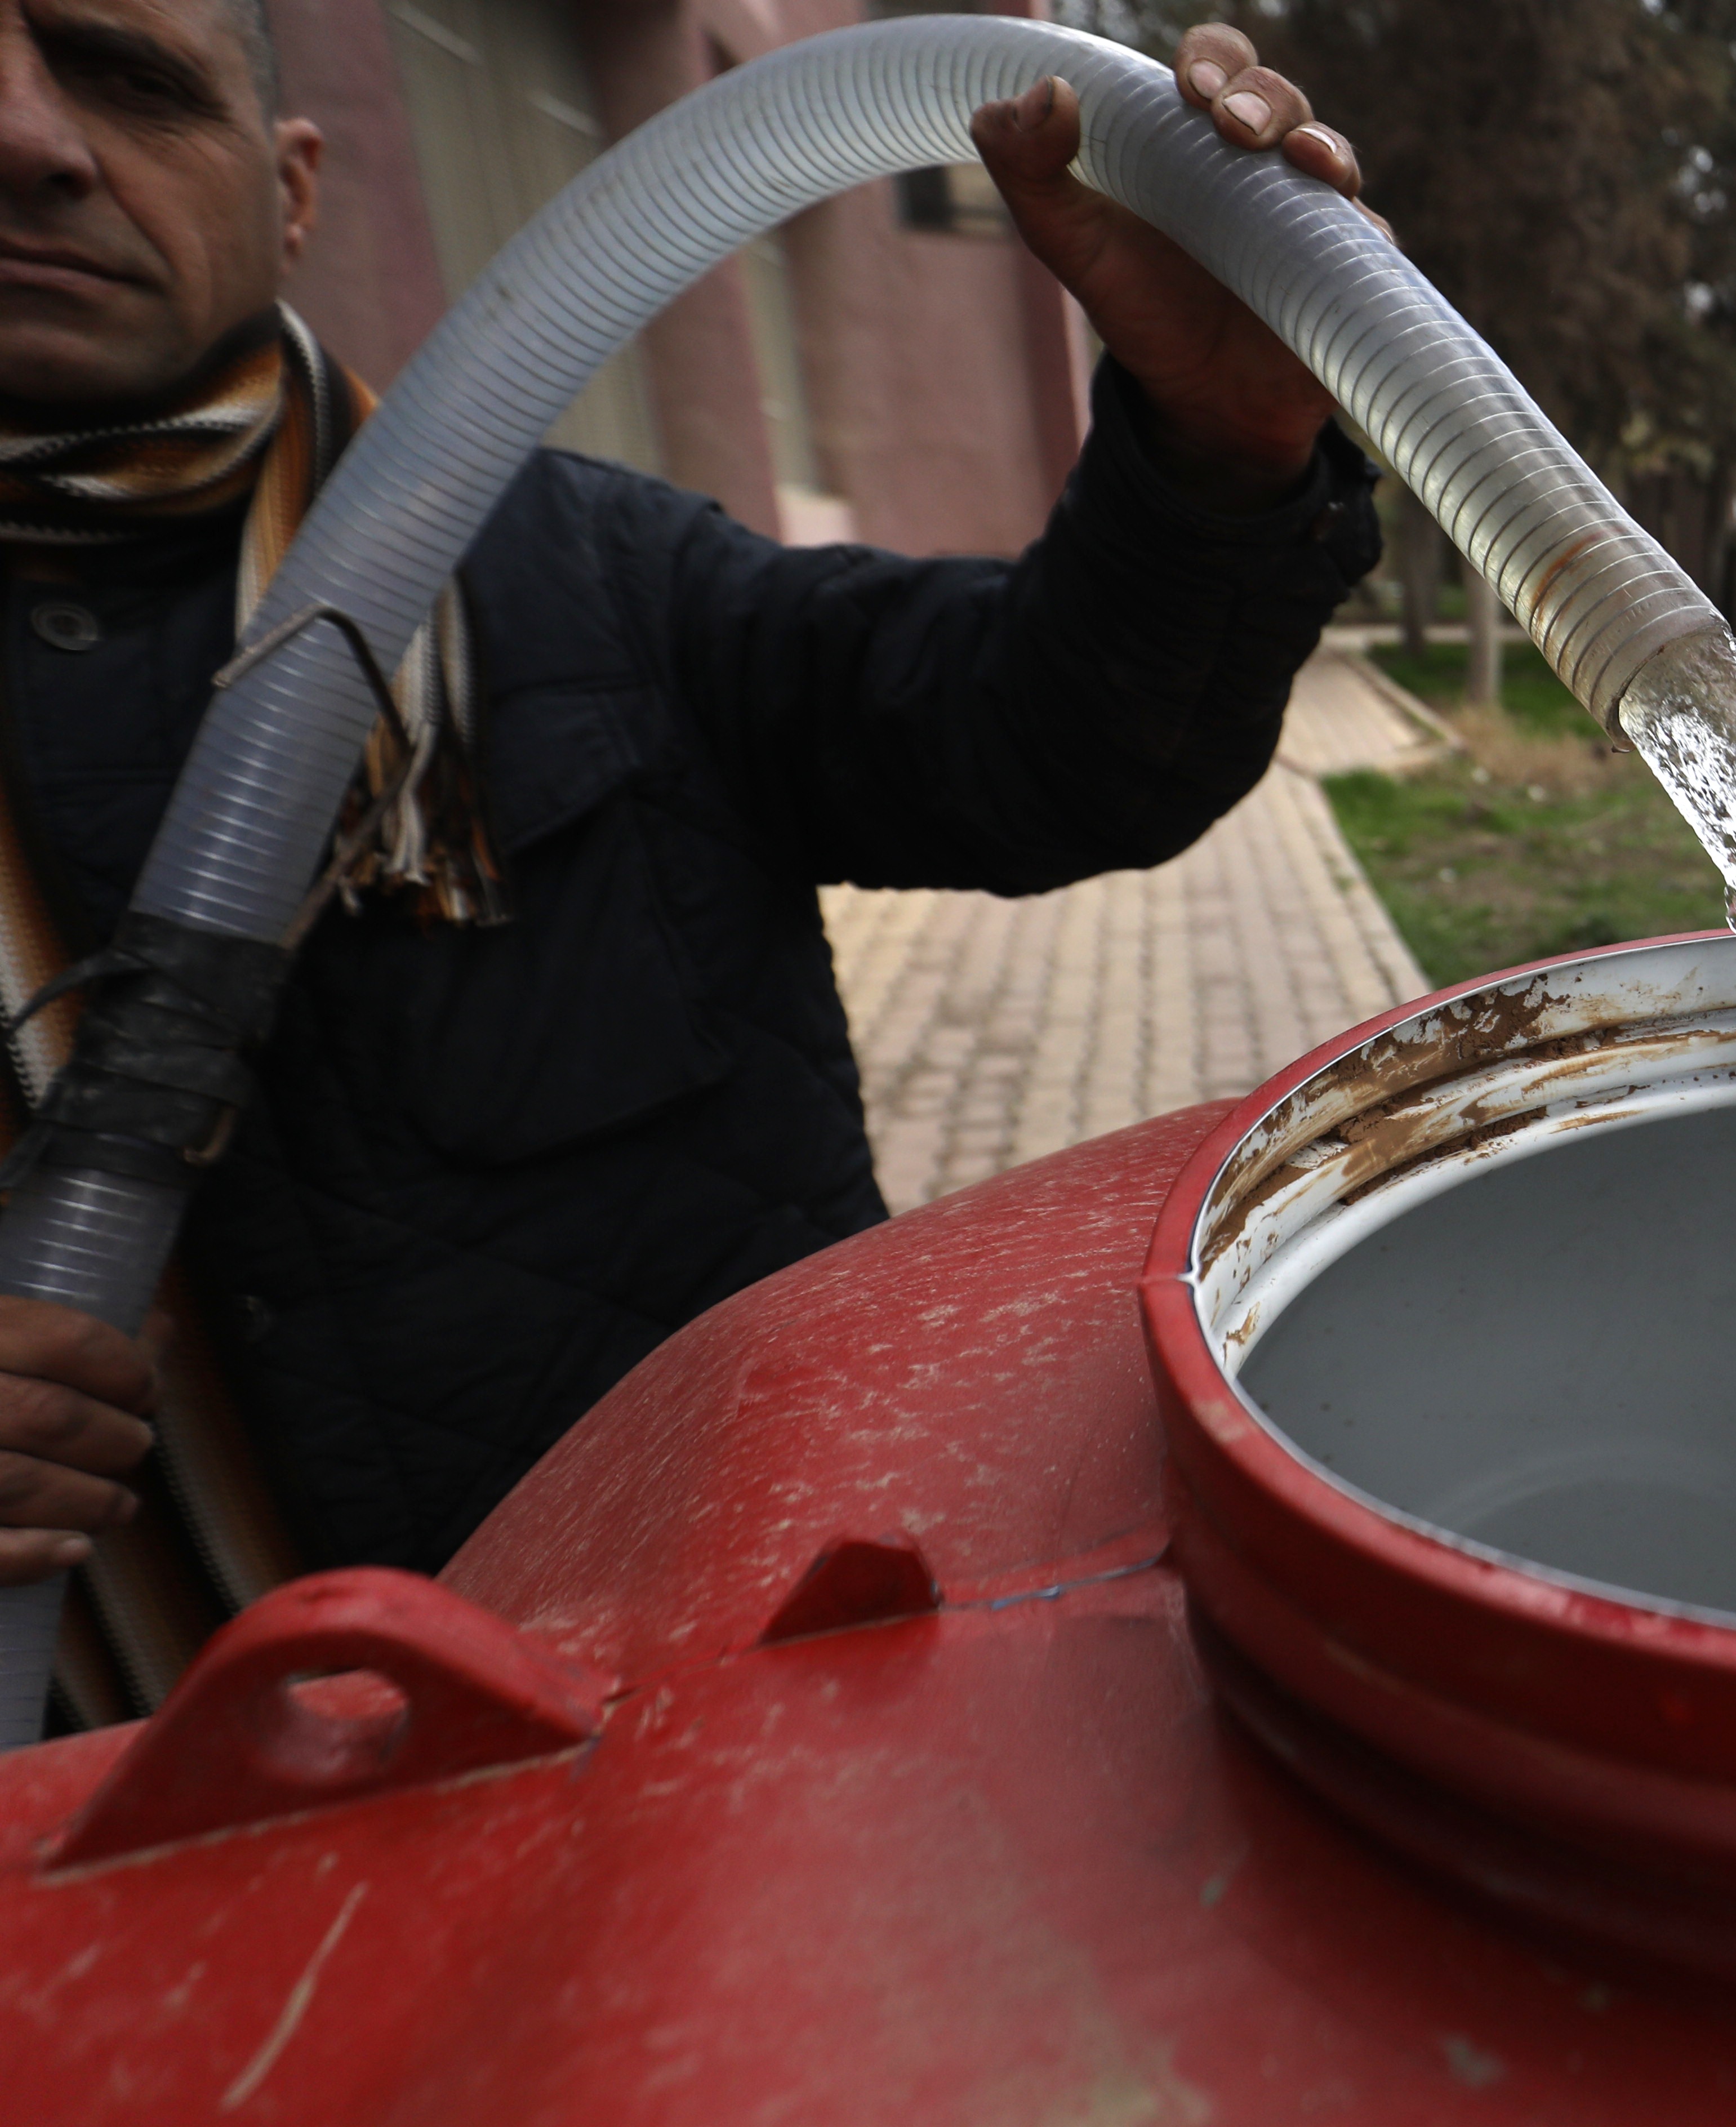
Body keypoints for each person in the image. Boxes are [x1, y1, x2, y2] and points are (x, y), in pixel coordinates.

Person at [0, 1, 1385, 1724]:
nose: (29, 141)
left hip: (728, 1748)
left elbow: (1049, 749)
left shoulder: (585, 577)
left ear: (291, 189)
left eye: (128, 80)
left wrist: (1218, 455)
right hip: (133, 1889)